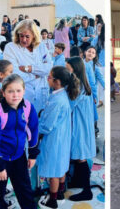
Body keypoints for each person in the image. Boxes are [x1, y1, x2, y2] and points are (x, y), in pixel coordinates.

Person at [0, 74, 40, 209]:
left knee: (25, 192)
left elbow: (33, 131)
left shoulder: (28, 107)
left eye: (18, 90)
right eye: (10, 91)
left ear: (24, 91)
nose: (15, 95)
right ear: (3, 93)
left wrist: (32, 154)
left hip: (19, 157)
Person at [37, 66, 79, 209]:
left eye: (49, 77)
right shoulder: (61, 95)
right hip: (62, 136)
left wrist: (35, 130)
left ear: (57, 81)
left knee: (53, 170)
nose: (47, 79)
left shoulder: (56, 100)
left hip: (54, 138)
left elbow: (47, 125)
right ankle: (60, 193)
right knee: (60, 166)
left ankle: (52, 200)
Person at [3, 19, 53, 113]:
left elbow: (49, 68)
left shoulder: (41, 47)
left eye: (27, 36)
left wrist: (29, 69)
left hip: (41, 92)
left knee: (38, 122)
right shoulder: (11, 47)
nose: (24, 40)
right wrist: (36, 75)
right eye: (21, 36)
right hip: (22, 94)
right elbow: (14, 74)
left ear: (34, 36)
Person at [65, 57, 95, 202]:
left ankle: (87, 190)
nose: (66, 69)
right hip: (82, 124)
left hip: (79, 125)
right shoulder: (84, 83)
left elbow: (69, 105)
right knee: (79, 155)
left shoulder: (78, 86)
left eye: (68, 67)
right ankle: (80, 183)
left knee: (80, 156)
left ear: (74, 68)